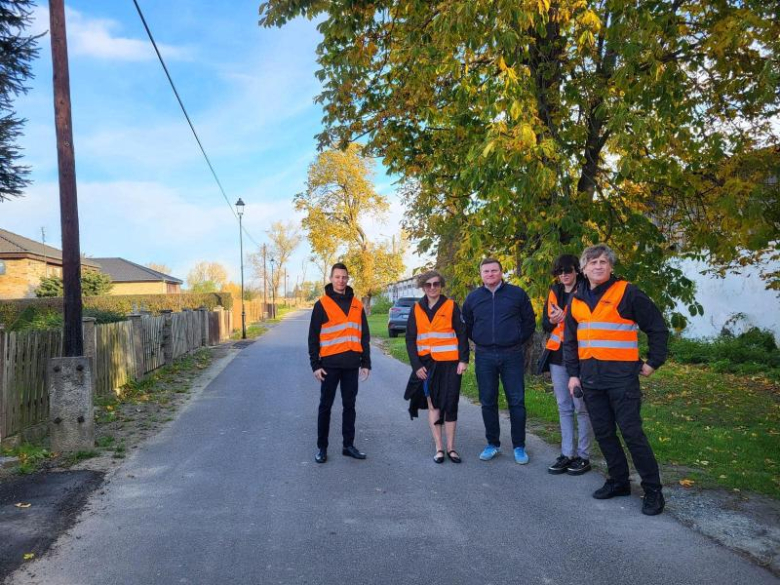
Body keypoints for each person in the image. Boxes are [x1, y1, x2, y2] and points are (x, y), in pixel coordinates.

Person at [563, 244, 669, 515]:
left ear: (611, 267)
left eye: (603, 262)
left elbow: (657, 326)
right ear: (583, 269)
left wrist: (653, 362)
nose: (598, 266)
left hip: (622, 379)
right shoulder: (576, 299)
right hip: (590, 380)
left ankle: (653, 491)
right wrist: (573, 375)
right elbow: (571, 342)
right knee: (604, 433)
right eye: (593, 262)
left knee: (632, 434)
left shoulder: (627, 292)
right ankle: (619, 481)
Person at [462, 258, 536, 464]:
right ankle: (492, 444)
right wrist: (478, 338)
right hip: (484, 355)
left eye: (494, 270)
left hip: (512, 354)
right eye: (486, 271)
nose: (490, 274)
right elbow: (466, 324)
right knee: (487, 400)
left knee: (517, 401)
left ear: (501, 272)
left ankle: (519, 446)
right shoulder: (473, 298)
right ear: (481, 274)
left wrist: (516, 338)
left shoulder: (517, 294)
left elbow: (529, 321)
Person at [308, 263, 370, 464]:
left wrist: (366, 363)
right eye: (337, 277)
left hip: (351, 364)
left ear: (348, 279)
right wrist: (315, 365)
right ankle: (322, 448)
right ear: (331, 278)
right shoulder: (322, 304)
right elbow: (313, 338)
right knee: (325, 406)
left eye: (344, 277)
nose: (341, 280)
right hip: (329, 365)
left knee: (349, 406)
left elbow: (364, 336)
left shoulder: (357, 305)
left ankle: (348, 445)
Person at [405, 270, 469, 463]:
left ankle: (451, 448)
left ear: (441, 285)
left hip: (450, 364)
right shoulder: (416, 308)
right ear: (423, 287)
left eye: (436, 284)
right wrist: (416, 365)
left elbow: (462, 335)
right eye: (428, 285)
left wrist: (463, 360)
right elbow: (410, 339)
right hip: (427, 365)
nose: (433, 288)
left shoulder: (451, 306)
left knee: (450, 404)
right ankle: (439, 448)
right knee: (434, 405)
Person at [538, 254, 594, 476]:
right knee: (564, 406)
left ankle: (583, 456)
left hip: (582, 355)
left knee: (581, 407)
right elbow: (544, 323)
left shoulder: (587, 290)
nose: (564, 275)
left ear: (577, 271)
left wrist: (567, 316)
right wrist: (553, 320)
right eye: (560, 272)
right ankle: (567, 453)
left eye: (568, 270)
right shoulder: (555, 291)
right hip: (558, 355)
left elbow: (592, 319)